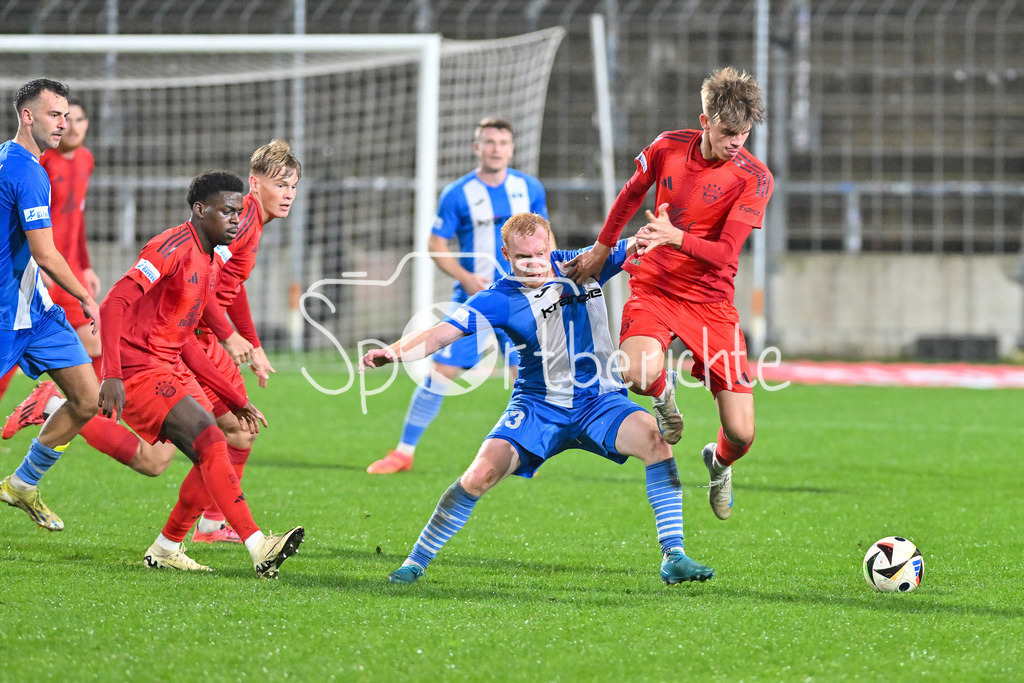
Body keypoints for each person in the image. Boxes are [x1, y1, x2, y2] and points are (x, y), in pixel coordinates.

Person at [361, 212, 713, 585]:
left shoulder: (583, 265)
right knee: (478, 476)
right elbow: (438, 335)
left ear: (551, 247)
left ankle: (673, 555)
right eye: (522, 257)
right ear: (506, 255)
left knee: (657, 443)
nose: (532, 264)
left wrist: (674, 228)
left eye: (539, 254)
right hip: (538, 407)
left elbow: (639, 242)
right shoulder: (499, 298)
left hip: (600, 401)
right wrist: (394, 352)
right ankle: (415, 562)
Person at [4, 141, 299, 513]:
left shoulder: (248, 222)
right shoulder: (238, 221)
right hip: (187, 341)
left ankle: (55, 407)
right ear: (254, 184)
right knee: (235, 432)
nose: (288, 194)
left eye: (293, 186)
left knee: (154, 460)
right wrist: (229, 336)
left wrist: (251, 342)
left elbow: (230, 286)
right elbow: (204, 287)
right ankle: (203, 530)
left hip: (190, 340)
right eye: (280, 184)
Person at [563, 67, 773, 522]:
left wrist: (674, 236)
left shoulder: (755, 178)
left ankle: (718, 464)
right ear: (705, 121)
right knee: (636, 373)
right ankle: (663, 397)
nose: (737, 141)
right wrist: (602, 248)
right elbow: (628, 195)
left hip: (711, 303)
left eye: (744, 132)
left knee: (741, 433)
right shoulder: (666, 148)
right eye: (727, 132)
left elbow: (724, 254)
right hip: (655, 285)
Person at [97, 169, 303, 576]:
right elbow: (112, 304)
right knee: (207, 441)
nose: (234, 220)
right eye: (226, 212)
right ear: (200, 209)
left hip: (169, 364)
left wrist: (235, 397)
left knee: (219, 445)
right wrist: (111, 374)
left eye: (238, 212)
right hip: (139, 369)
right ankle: (259, 546)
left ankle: (167, 546)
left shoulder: (208, 260)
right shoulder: (170, 248)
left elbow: (186, 339)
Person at [365, 117, 548, 475]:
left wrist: (551, 279)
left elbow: (545, 240)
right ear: (476, 147)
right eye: (489, 142)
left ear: (512, 148)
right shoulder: (457, 193)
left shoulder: (530, 188)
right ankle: (404, 452)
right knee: (440, 373)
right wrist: (465, 276)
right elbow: (436, 244)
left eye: (502, 142)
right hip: (476, 300)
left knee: (527, 378)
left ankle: (526, 453)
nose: (496, 148)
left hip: (524, 300)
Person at [0, 79, 100, 532]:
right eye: (54, 115)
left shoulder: (14, 160)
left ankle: (23, 483)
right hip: (5, 316)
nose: (63, 123)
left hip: (35, 312)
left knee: (86, 397)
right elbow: (45, 253)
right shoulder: (25, 170)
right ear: (27, 116)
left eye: (66, 115)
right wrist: (85, 295)